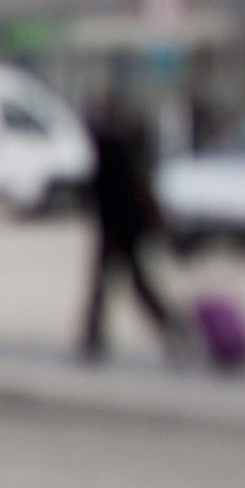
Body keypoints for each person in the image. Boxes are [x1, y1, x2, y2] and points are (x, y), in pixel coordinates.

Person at [81, 96, 182, 363]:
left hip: (117, 228)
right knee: (133, 284)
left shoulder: (109, 146)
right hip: (127, 227)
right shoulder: (128, 148)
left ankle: (94, 337)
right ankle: (171, 327)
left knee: (114, 285)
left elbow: (99, 189)